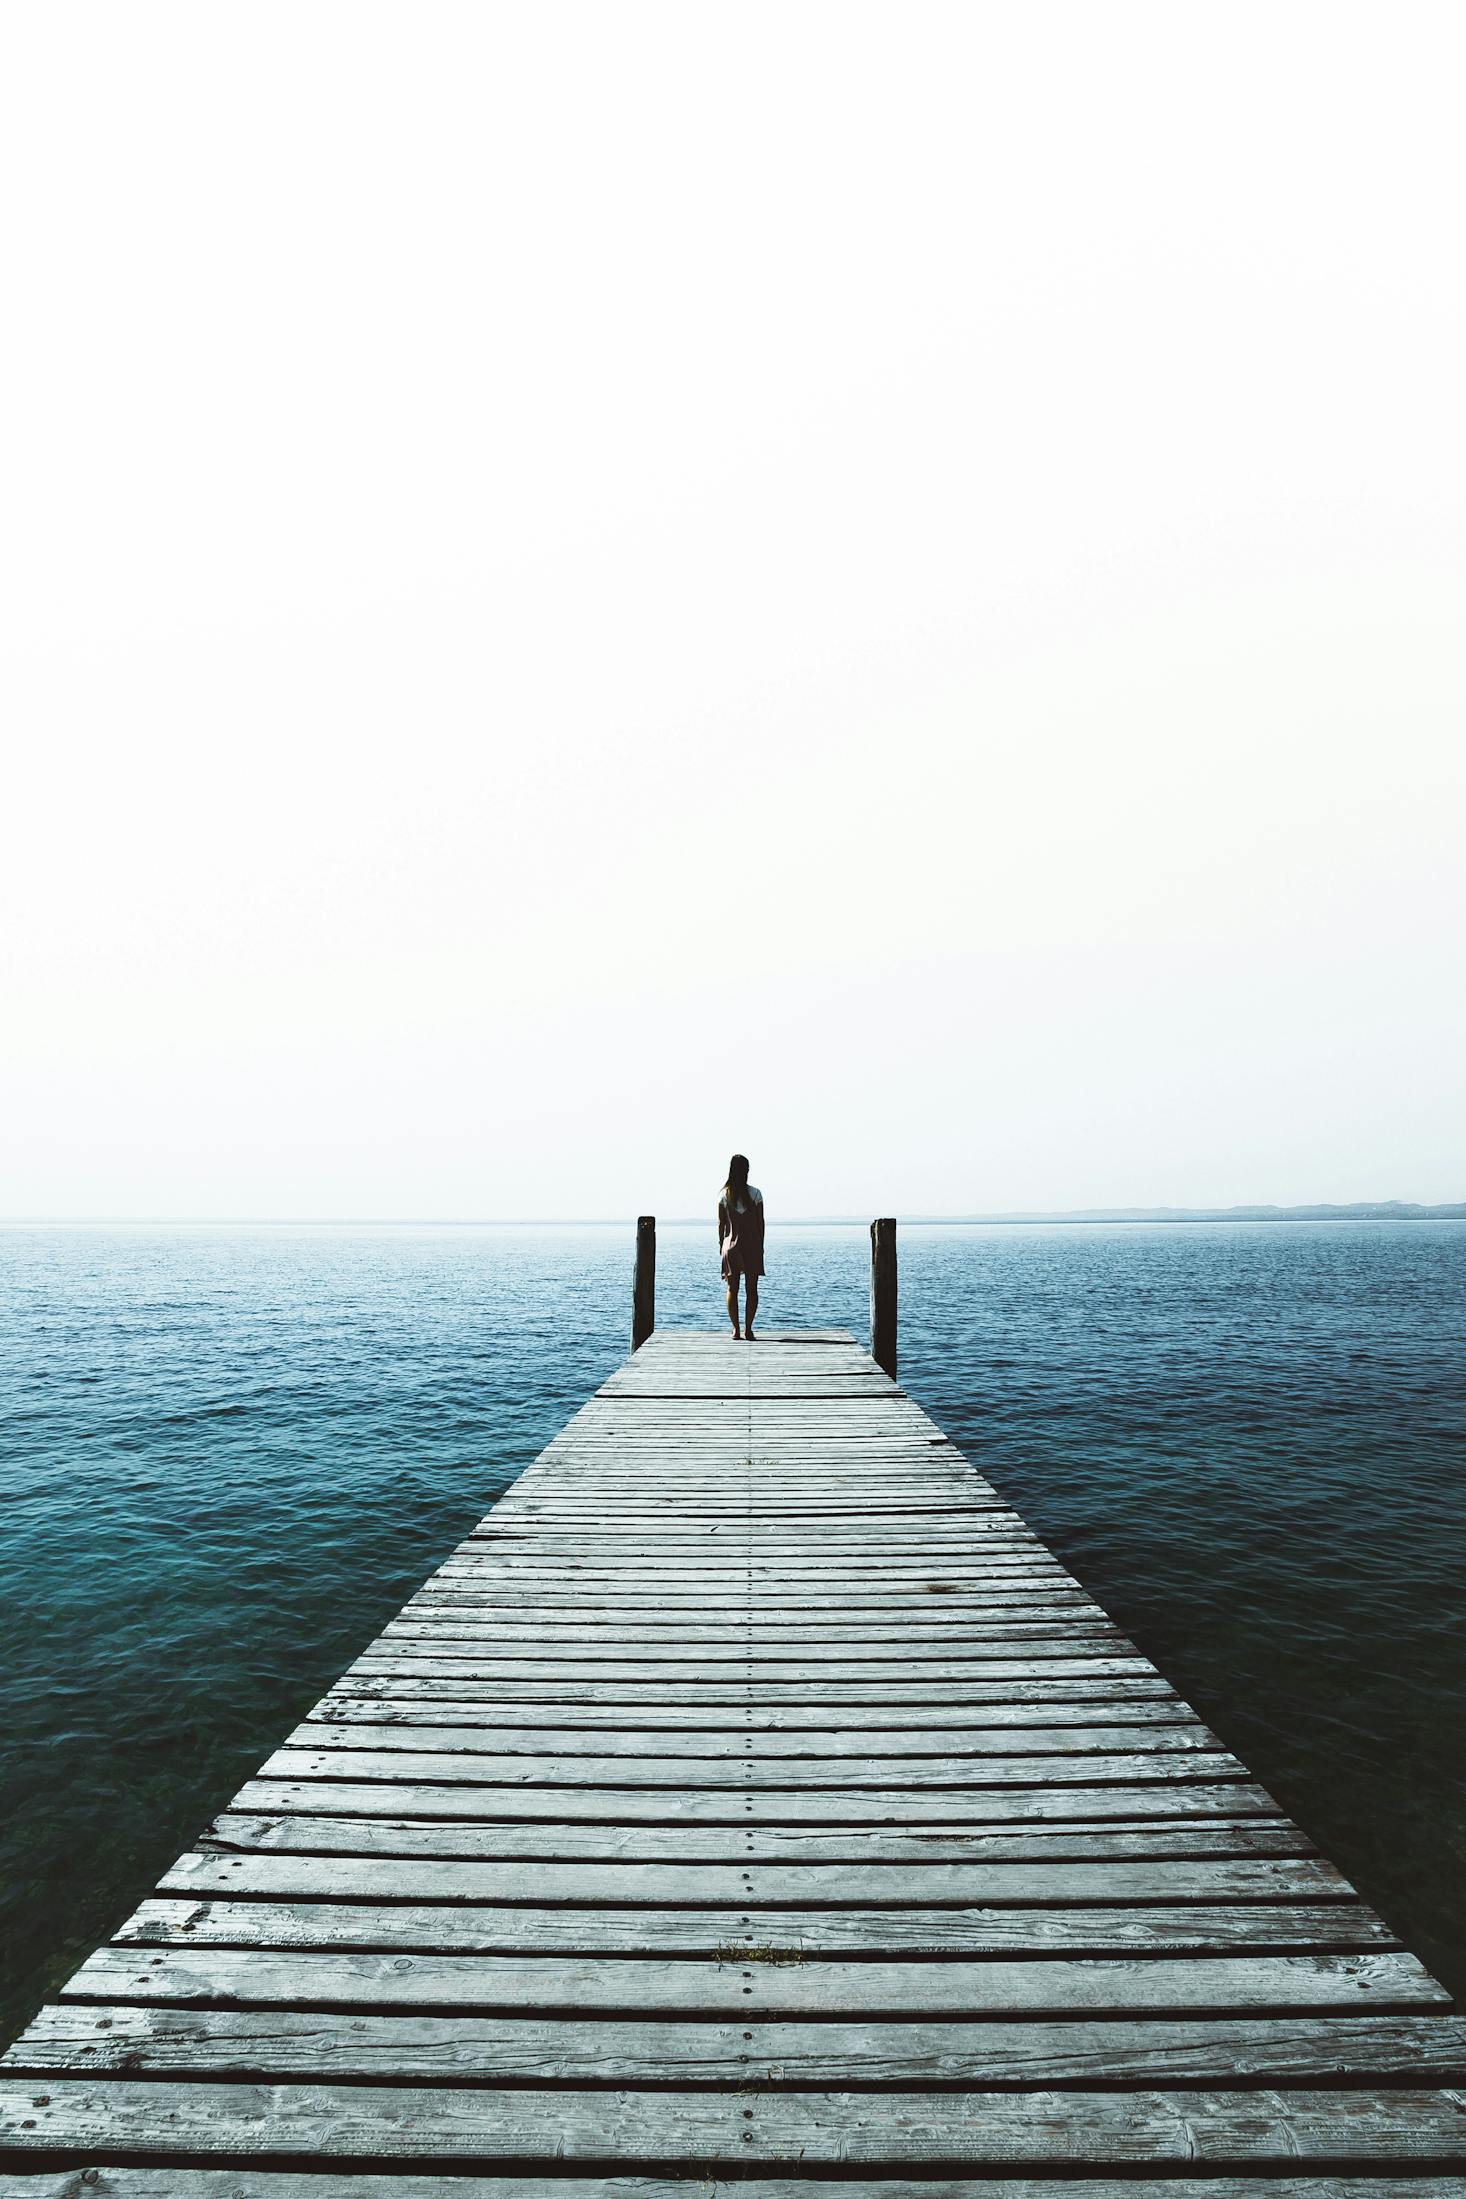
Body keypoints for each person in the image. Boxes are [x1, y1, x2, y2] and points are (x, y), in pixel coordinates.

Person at [718, 1153, 765, 1340]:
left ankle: (736, 1329)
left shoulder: (723, 1195)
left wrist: (721, 1246)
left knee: (732, 1288)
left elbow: (721, 1225)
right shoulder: (756, 1194)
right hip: (752, 1244)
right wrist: (760, 1245)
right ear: (746, 1171)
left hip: (730, 1247)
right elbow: (760, 1222)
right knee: (751, 1289)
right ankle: (749, 1329)